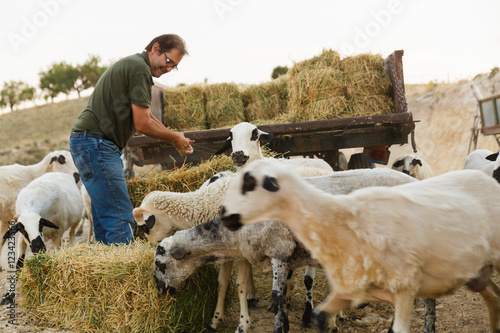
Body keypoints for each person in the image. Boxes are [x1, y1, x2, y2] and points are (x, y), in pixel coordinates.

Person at [69, 34, 194, 245]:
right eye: (168, 61)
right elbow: (142, 124)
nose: (168, 69)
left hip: (88, 143)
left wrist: (174, 138)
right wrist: (174, 139)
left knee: (103, 218)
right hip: (97, 145)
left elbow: (148, 116)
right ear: (155, 48)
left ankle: (106, 269)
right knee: (120, 218)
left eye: (174, 66)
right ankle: (120, 275)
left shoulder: (135, 65)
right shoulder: (139, 69)